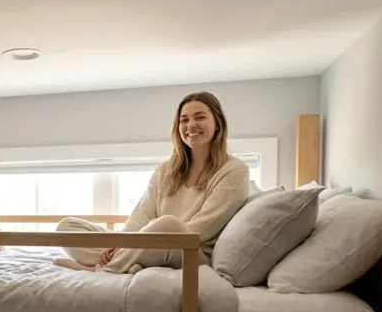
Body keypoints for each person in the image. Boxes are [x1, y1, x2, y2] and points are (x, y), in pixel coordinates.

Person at [53, 91, 249, 273]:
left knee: (169, 226)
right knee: (67, 227)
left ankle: (99, 270)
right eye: (184, 120)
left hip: (191, 252)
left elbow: (200, 230)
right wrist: (120, 241)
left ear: (218, 123)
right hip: (149, 243)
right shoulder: (166, 169)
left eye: (200, 117)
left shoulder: (235, 170)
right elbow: (142, 214)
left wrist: (135, 243)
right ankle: (129, 264)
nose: (191, 125)